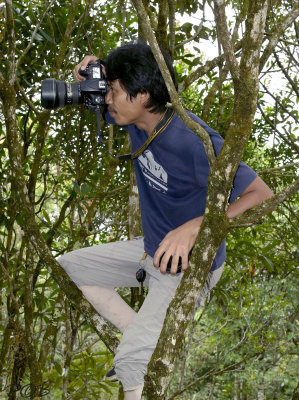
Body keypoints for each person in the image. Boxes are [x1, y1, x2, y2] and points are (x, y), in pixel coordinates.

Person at [59, 41, 273, 400]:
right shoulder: (128, 115)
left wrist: (195, 227)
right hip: (151, 250)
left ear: (143, 96)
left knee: (130, 365)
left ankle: (137, 351)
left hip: (189, 264)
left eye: (114, 91)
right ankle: (137, 333)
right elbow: (91, 93)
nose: (107, 99)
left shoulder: (193, 140)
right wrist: (89, 73)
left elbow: (260, 194)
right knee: (71, 266)